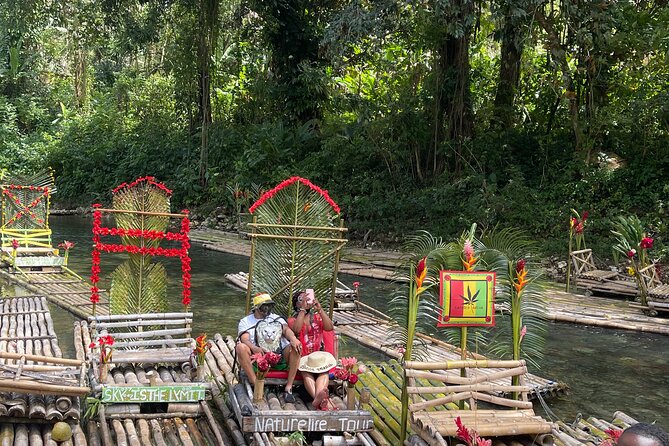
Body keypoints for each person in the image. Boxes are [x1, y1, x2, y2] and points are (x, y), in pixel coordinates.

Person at [236, 293, 301, 396]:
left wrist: (293, 339)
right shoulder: (246, 321)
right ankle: (255, 382)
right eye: (265, 306)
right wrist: (254, 348)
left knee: (296, 346)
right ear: (257, 307)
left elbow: (286, 330)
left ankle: (289, 386)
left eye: (270, 305)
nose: (267, 308)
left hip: (279, 355)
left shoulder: (277, 318)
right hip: (257, 356)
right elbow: (244, 339)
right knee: (240, 347)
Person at [286, 288, 335, 409]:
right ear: (296, 304)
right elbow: (296, 330)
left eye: (308, 298)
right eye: (302, 299)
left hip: (317, 358)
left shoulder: (317, 318)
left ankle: (318, 398)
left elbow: (329, 328)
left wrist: (320, 309)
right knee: (306, 372)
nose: (306, 301)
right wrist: (303, 309)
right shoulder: (292, 320)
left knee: (323, 372)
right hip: (301, 359)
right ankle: (319, 399)